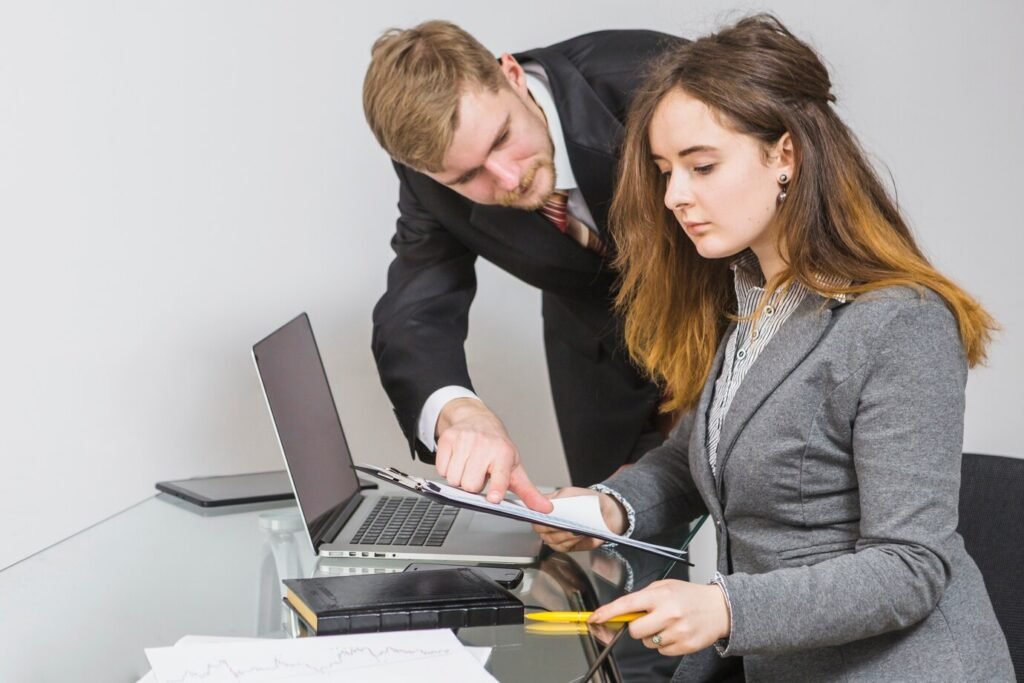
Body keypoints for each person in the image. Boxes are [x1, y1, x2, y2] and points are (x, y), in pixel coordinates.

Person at [534, 14, 1015, 681]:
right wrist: (608, 507)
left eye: (701, 166)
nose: (675, 196)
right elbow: (704, 452)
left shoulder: (900, 323)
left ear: (785, 155)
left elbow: (909, 568)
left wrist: (724, 608)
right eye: (665, 170)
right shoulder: (757, 295)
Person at [362, 21, 685, 510]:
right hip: (600, 357)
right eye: (469, 176)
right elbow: (414, 310)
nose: (509, 178)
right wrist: (460, 412)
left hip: (740, 316)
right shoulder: (429, 177)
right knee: (614, 549)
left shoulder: (653, 76)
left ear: (511, 73)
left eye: (501, 139)